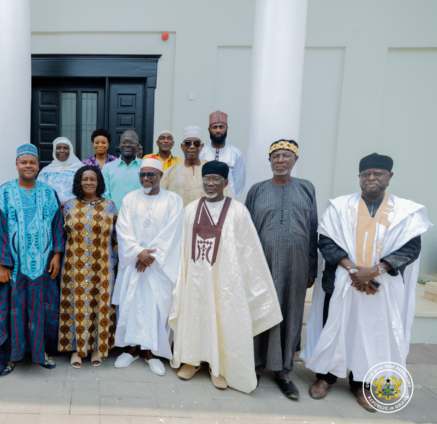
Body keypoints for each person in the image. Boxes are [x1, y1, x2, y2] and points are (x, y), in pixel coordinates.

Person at [301, 153, 432, 412]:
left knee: (373, 334)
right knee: (334, 329)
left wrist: (375, 271)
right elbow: (326, 242)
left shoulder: (405, 211)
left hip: (382, 286)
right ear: (359, 177)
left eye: (377, 173)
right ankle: (325, 378)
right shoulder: (339, 207)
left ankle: (362, 384)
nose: (371, 178)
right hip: (342, 281)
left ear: (389, 176)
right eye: (366, 174)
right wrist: (353, 270)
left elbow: (411, 248)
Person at [170, 161, 282, 391]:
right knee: (194, 316)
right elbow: (181, 248)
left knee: (223, 320)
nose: (210, 184)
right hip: (195, 280)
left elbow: (249, 250)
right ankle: (192, 360)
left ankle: (218, 366)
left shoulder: (238, 211)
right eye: (206, 179)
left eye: (216, 179)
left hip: (225, 281)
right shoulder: (190, 210)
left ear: (226, 182)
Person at [0, 143, 64, 376]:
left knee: (42, 310)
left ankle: (40, 353)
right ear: (16, 165)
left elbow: (57, 226)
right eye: (23, 162)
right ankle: (10, 355)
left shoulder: (48, 193)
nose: (28, 166)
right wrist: (0, 263)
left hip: (43, 267)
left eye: (32, 162)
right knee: (12, 312)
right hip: (14, 268)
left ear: (38, 166)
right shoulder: (4, 192)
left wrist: (57, 255)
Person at [245, 140, 318, 400]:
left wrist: (312, 266)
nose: (280, 160)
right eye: (275, 156)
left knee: (291, 312)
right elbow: (246, 230)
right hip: (262, 264)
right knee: (260, 309)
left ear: (295, 160)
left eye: (286, 156)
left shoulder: (306, 188)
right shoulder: (257, 190)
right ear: (269, 161)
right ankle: (255, 365)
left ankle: (284, 370)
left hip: (296, 265)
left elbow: (313, 228)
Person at [113, 157, 184, 376]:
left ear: (160, 175)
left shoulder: (173, 200)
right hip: (133, 263)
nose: (146, 178)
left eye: (151, 174)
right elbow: (122, 228)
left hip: (159, 267)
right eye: (142, 174)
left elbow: (174, 232)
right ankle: (132, 350)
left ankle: (152, 353)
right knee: (131, 305)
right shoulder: (129, 198)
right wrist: (138, 252)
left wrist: (150, 256)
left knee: (155, 308)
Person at [58, 165, 118, 368]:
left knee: (99, 305)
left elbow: (116, 239)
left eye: (93, 179)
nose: (89, 182)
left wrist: (116, 265)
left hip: (103, 266)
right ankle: (77, 349)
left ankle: (97, 348)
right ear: (79, 182)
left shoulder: (110, 206)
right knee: (77, 306)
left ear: (99, 181)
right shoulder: (69, 206)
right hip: (74, 266)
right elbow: (61, 235)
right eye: (85, 179)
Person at [161, 126, 233, 206]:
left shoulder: (213, 169)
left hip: (209, 213)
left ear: (201, 146)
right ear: (182, 146)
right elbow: (161, 199)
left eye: (196, 144)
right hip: (179, 214)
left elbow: (228, 196)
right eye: (188, 143)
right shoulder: (169, 172)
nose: (192, 147)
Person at [199, 110, 245, 198]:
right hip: (204, 198)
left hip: (228, 199)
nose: (218, 130)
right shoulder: (201, 152)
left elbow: (239, 182)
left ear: (226, 128)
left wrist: (231, 197)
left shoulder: (236, 153)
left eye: (221, 127)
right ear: (209, 130)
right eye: (214, 127)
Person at [37, 137, 83, 207]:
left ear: (70, 150)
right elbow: (40, 193)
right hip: (52, 209)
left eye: (65, 148)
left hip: (76, 209)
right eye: (58, 148)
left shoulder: (80, 169)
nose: (62, 151)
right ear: (54, 150)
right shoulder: (46, 172)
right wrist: (58, 204)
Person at [102, 130, 143, 208]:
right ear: (119, 144)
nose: (127, 145)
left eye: (131, 142)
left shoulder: (145, 167)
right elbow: (104, 195)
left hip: (140, 214)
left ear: (138, 146)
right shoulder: (107, 168)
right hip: (114, 214)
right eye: (124, 142)